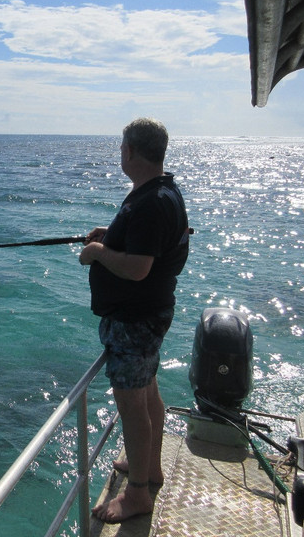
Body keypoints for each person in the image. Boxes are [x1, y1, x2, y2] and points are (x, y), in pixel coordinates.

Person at [79, 118, 189, 523]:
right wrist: (110, 234)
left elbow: (140, 267)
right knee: (147, 395)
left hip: (135, 320)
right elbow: (150, 241)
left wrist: (97, 253)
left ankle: (139, 494)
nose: (119, 151)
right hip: (147, 317)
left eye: (122, 145)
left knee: (132, 408)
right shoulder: (161, 192)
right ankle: (151, 467)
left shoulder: (150, 201)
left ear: (131, 151)